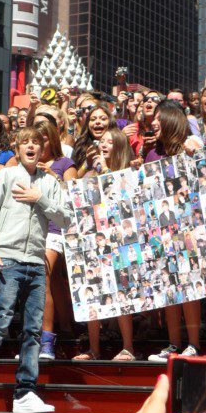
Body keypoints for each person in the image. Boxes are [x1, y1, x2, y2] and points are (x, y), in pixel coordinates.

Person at [0, 127, 72, 413]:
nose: (31, 146)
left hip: (36, 262)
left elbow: (66, 217)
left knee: (33, 330)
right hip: (7, 259)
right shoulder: (5, 176)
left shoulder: (49, 182)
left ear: (42, 148)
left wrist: (40, 198)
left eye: (36, 142)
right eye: (26, 143)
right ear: (18, 148)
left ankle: (25, 393)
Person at [146, 100, 203, 363]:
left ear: (170, 119)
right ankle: (173, 344)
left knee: (190, 287)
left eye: (158, 117)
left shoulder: (192, 148)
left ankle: (193, 344)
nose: (153, 122)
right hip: (161, 233)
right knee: (169, 289)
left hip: (189, 230)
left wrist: (199, 149)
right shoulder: (151, 156)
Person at [73, 127, 136, 362]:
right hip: (91, 239)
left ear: (119, 146)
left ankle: (128, 346)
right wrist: (85, 168)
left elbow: (121, 199)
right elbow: (74, 190)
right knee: (92, 291)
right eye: (102, 141)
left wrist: (105, 169)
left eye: (110, 141)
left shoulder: (126, 170)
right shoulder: (90, 171)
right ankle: (94, 348)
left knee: (121, 292)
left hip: (118, 239)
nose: (103, 144)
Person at [34, 120, 77, 358]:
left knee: (44, 275)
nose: (39, 144)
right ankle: (63, 329)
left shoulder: (64, 163)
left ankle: (46, 341)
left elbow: (73, 196)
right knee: (49, 283)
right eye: (35, 140)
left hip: (55, 229)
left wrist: (52, 176)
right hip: (30, 230)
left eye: (44, 139)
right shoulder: (26, 164)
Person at [72, 104, 117, 175]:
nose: (97, 122)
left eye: (103, 119)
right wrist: (87, 164)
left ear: (110, 121)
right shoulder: (80, 146)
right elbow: (74, 180)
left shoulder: (120, 142)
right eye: (93, 119)